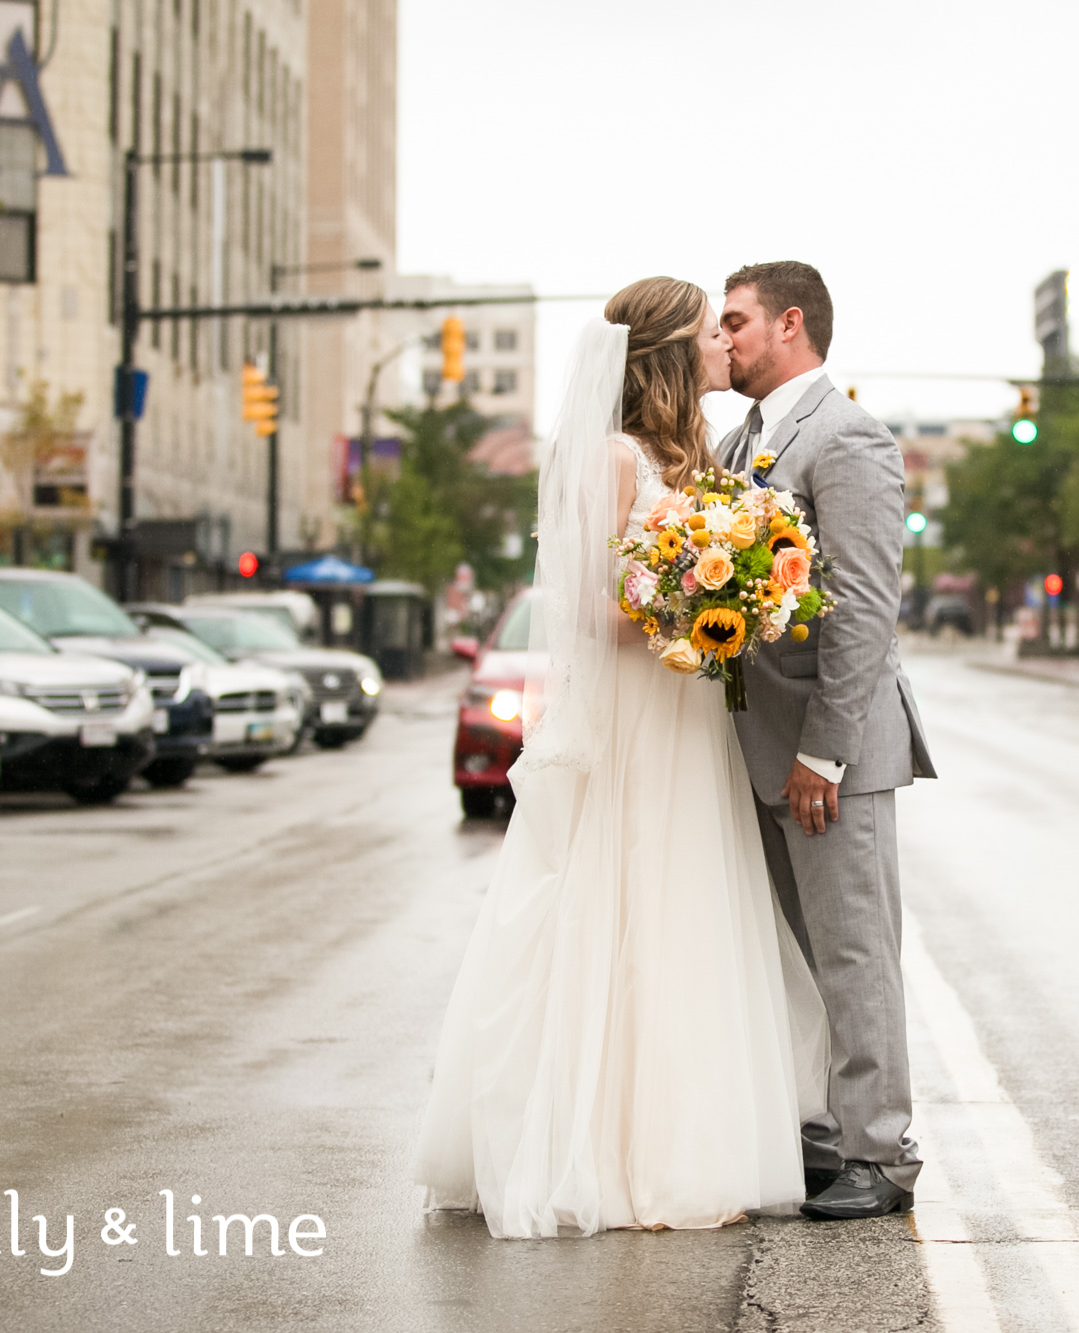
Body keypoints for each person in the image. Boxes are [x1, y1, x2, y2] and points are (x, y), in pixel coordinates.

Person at [412, 277, 829, 1239]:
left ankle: (687, 1138)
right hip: (641, 715)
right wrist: (690, 612)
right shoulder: (612, 457)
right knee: (626, 908)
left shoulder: (698, 456)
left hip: (690, 715)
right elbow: (578, 605)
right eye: (710, 332)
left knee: (690, 911)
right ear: (671, 354)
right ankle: (606, 1152)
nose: (726, 343)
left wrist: (746, 597)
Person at [717, 262, 938, 1220]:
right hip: (755, 745)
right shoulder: (735, 444)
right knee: (798, 959)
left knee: (854, 953)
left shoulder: (848, 439)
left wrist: (825, 751)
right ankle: (824, 1132)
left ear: (790, 324)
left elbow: (861, 613)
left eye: (735, 321)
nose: (721, 340)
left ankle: (881, 1153)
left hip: (828, 753)